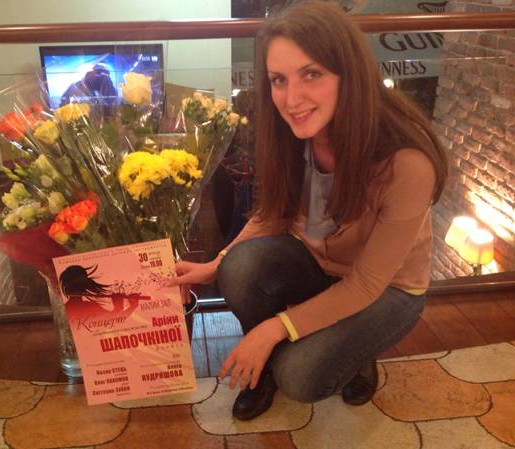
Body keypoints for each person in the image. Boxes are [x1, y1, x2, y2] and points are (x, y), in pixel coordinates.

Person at [169, 0, 447, 421]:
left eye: (311, 74)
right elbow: (272, 213)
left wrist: (273, 329)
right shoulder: (293, 134)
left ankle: (354, 354)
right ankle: (264, 368)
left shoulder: (407, 164)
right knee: (238, 268)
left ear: (349, 73)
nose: (291, 98)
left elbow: (366, 284)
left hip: (387, 289)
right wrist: (215, 264)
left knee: (299, 376)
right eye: (278, 80)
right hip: (319, 266)